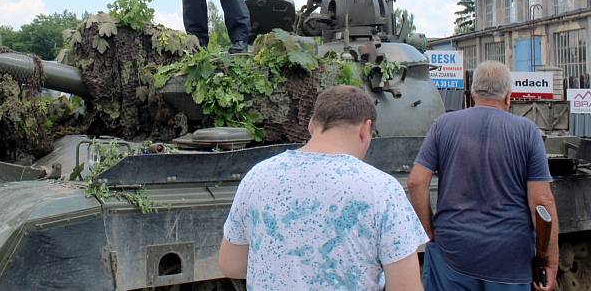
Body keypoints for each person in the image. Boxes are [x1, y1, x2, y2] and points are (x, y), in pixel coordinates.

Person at [219, 85, 427, 290]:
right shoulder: (382, 189)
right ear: (365, 130)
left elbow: (231, 265)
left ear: (311, 125)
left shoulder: (257, 176)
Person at [407, 61, 559, 291]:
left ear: (472, 93)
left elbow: (416, 181)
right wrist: (550, 259)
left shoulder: (443, 125)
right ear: (508, 97)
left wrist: (428, 232)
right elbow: (542, 202)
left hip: (453, 252)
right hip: (509, 258)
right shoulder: (528, 132)